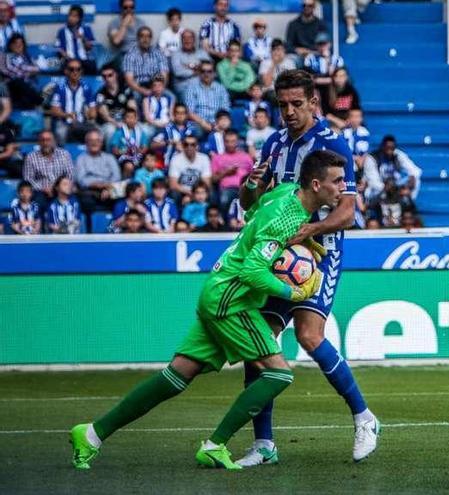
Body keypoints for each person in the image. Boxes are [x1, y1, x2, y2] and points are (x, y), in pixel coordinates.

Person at [68, 150, 336, 470]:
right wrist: (292, 290)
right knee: (278, 373)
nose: (343, 187)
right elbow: (252, 271)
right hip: (231, 300)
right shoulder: (287, 214)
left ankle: (92, 434)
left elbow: (251, 210)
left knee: (176, 375)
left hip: (217, 288)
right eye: (337, 181)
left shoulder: (284, 194)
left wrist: (299, 242)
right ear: (317, 184)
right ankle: (215, 445)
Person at [237, 70, 377, 465]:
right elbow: (250, 203)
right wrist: (250, 184)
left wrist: (310, 230)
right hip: (281, 255)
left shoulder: (335, 147)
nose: (289, 112)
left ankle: (364, 417)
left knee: (310, 337)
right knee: (259, 342)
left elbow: (348, 213)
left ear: (314, 103)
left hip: (320, 251)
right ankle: (264, 444)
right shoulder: (274, 144)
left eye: (297, 104)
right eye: (282, 105)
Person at [23, 130, 75, 211]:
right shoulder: (31, 157)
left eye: (48, 140)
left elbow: (70, 176)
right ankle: (40, 223)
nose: (45, 143)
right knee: (38, 203)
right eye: (42, 140)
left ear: (54, 141)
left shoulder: (64, 154)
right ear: (39, 142)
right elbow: (28, 179)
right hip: (41, 191)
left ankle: (71, 223)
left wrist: (59, 188)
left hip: (62, 189)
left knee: (74, 201)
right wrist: (43, 188)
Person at [49, 59, 97, 144]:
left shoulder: (87, 88)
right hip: (65, 123)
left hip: (82, 124)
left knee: (96, 134)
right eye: (71, 69)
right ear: (66, 71)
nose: (75, 72)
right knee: (61, 132)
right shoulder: (60, 88)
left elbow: (93, 112)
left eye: (78, 69)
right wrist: (67, 115)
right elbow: (54, 110)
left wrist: (89, 114)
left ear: (81, 71)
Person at [75, 129, 120, 213]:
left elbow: (116, 176)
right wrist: (96, 185)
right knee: (85, 200)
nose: (94, 143)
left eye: (97, 140)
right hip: (90, 190)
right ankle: (92, 224)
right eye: (91, 140)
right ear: (86, 143)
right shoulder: (81, 159)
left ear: (101, 143)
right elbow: (81, 179)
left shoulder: (109, 158)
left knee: (121, 198)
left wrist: (108, 187)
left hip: (109, 188)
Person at [184, 60, 231, 134]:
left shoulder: (221, 88)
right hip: (199, 123)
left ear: (214, 73)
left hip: (218, 122)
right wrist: (203, 123)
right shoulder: (191, 88)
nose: (206, 74)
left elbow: (225, 109)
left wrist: (218, 124)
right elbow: (190, 112)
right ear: (199, 73)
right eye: (203, 71)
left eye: (209, 71)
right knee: (196, 130)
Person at [122, 26, 169, 99]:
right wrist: (142, 90)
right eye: (142, 36)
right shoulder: (130, 54)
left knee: (171, 97)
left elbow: (164, 74)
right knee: (136, 96)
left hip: (155, 85)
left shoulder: (158, 53)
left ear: (151, 39)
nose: (145, 39)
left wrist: (159, 89)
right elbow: (129, 79)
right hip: (137, 86)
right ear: (137, 38)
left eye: (148, 36)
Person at [212, 130, 252, 210]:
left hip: (244, 188)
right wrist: (226, 172)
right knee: (224, 200)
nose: (230, 144)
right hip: (227, 188)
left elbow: (253, 175)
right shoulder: (217, 157)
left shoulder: (246, 157)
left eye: (233, 141)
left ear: (237, 142)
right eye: (227, 141)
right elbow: (213, 179)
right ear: (224, 142)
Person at [0, 33, 41, 109]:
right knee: (18, 81)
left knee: (28, 87)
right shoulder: (5, 56)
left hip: (26, 87)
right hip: (12, 86)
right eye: (15, 43)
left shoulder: (26, 57)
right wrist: (26, 72)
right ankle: (38, 100)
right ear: (10, 45)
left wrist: (22, 70)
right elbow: (8, 70)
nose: (18, 46)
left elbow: (37, 68)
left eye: (21, 43)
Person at [96, 65, 135, 139]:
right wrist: (117, 123)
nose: (107, 79)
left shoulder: (126, 90)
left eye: (110, 75)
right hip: (109, 123)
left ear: (115, 75)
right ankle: (110, 150)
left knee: (142, 128)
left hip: (126, 120)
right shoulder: (100, 94)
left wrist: (128, 121)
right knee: (110, 130)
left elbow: (133, 108)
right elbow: (105, 116)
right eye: (104, 76)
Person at [55, 4, 96, 75]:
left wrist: (82, 38)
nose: (71, 18)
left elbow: (90, 48)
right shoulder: (62, 31)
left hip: (83, 60)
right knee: (65, 68)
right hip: (69, 60)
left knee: (92, 66)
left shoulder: (86, 29)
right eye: (70, 15)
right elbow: (59, 49)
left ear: (79, 18)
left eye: (74, 16)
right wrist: (68, 57)